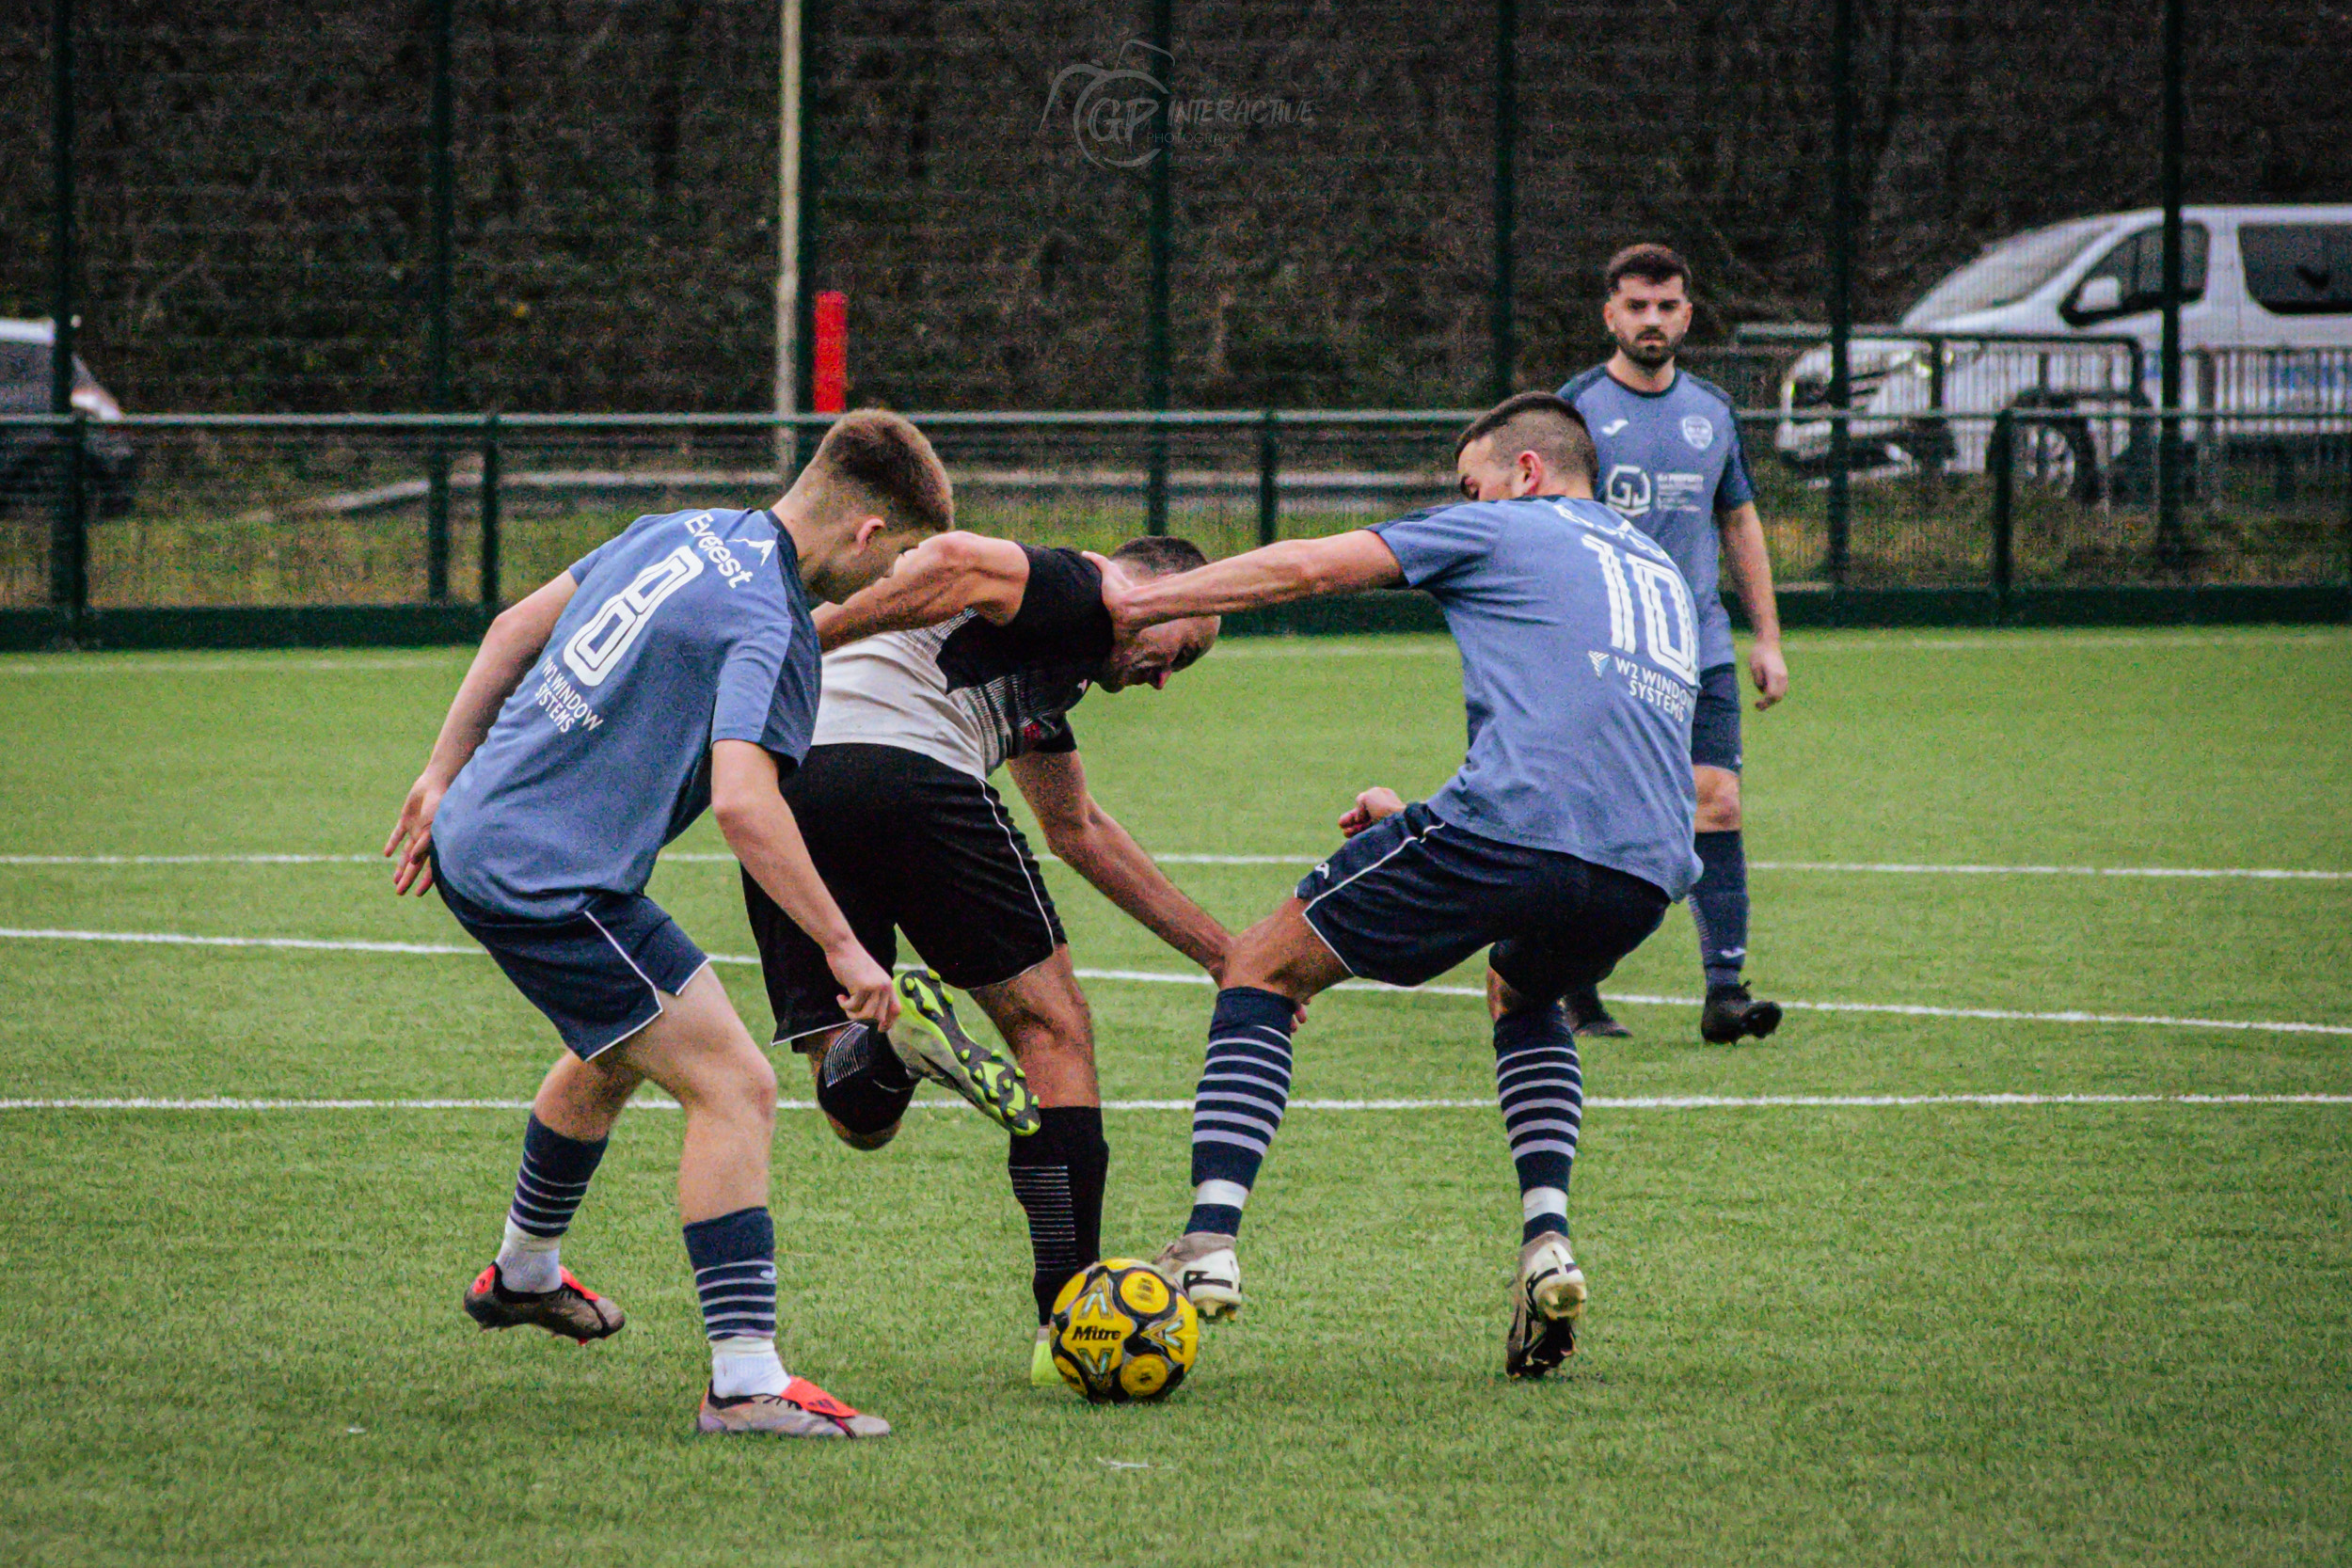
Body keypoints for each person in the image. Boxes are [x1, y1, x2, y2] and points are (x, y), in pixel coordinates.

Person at [1102, 391, 1703, 1380]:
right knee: (1526, 988)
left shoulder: (1507, 523)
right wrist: (1425, 810)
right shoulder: (1659, 571)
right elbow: (1582, 735)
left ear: (1524, 473)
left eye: (1471, 485)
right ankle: (1546, 1239)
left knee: (1258, 965)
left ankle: (1207, 1240)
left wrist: (1138, 601)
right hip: (1644, 866)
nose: (1462, 504)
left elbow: (1306, 565)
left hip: (1513, 827)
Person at [383, 409, 953, 1439]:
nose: (889, 584)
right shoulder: (774, 621)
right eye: (901, 557)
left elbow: (516, 626)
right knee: (736, 1083)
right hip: (550, 882)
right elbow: (745, 802)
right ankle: (744, 1379)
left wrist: (440, 774)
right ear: (869, 531)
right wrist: (843, 946)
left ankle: (522, 1271)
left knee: (615, 1046)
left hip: (494, 835)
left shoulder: (677, 529)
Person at [740, 530, 1231, 1386]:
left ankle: (894, 1048)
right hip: (913, 770)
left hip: (788, 785)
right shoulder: (1085, 590)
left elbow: (1079, 829)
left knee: (858, 1115)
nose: (1159, 679)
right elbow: (951, 557)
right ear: (1152, 592)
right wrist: (792, 635)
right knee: (1050, 1026)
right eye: (1174, 652)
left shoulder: (1041, 659)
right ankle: (1068, 1322)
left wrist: (1225, 956)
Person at [1558, 242, 1788, 1044]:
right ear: (1610, 314)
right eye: (1636, 305)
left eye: (1667, 306)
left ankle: (1725, 989)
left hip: (1700, 646)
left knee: (1716, 801)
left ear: (1687, 313)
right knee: (1593, 815)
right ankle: (1575, 992)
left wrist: (1768, 635)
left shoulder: (1714, 413)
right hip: (1603, 651)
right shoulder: (1575, 409)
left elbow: (1739, 520)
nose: (1651, 320)